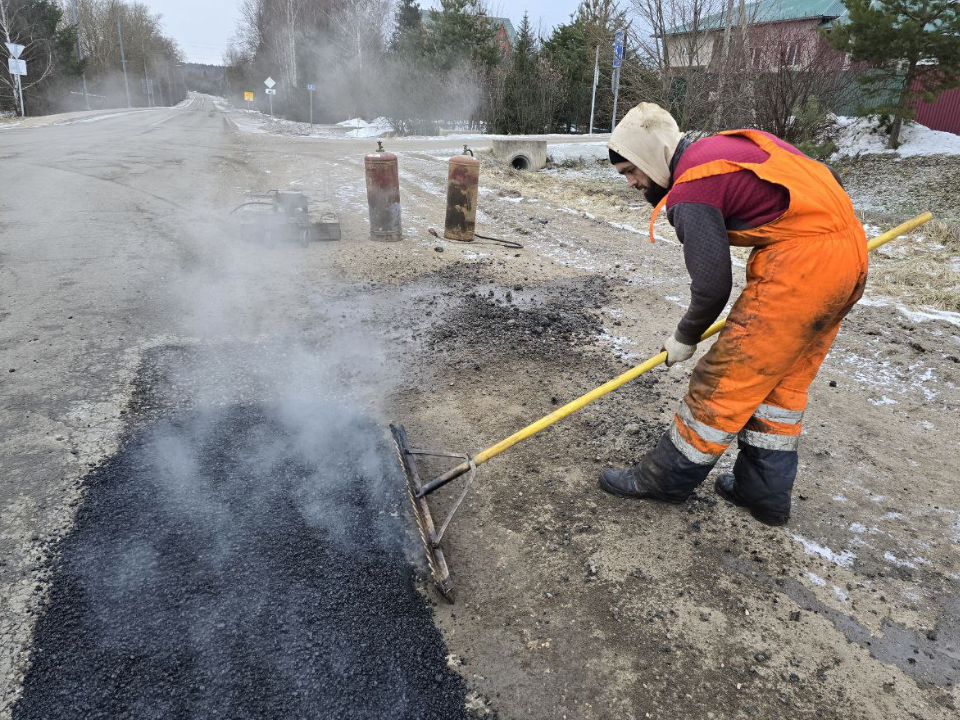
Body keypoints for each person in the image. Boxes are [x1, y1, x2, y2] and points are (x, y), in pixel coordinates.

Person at [599, 103, 867, 526]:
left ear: (651, 157)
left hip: (803, 271)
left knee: (723, 380)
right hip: (848, 252)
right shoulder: (724, 147)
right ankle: (762, 495)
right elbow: (822, 175)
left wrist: (685, 336)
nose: (631, 183)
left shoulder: (692, 188)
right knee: (780, 386)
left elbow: (711, 287)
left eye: (630, 171)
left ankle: (664, 479)